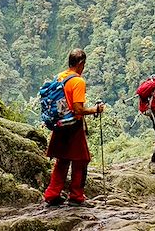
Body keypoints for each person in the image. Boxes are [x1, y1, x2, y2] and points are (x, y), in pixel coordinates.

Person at [43, 48, 105, 208]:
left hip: (59, 124)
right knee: (81, 160)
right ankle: (76, 197)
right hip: (73, 126)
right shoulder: (78, 81)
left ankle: (52, 194)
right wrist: (95, 110)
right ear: (81, 63)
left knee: (62, 160)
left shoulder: (60, 76)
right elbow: (78, 109)